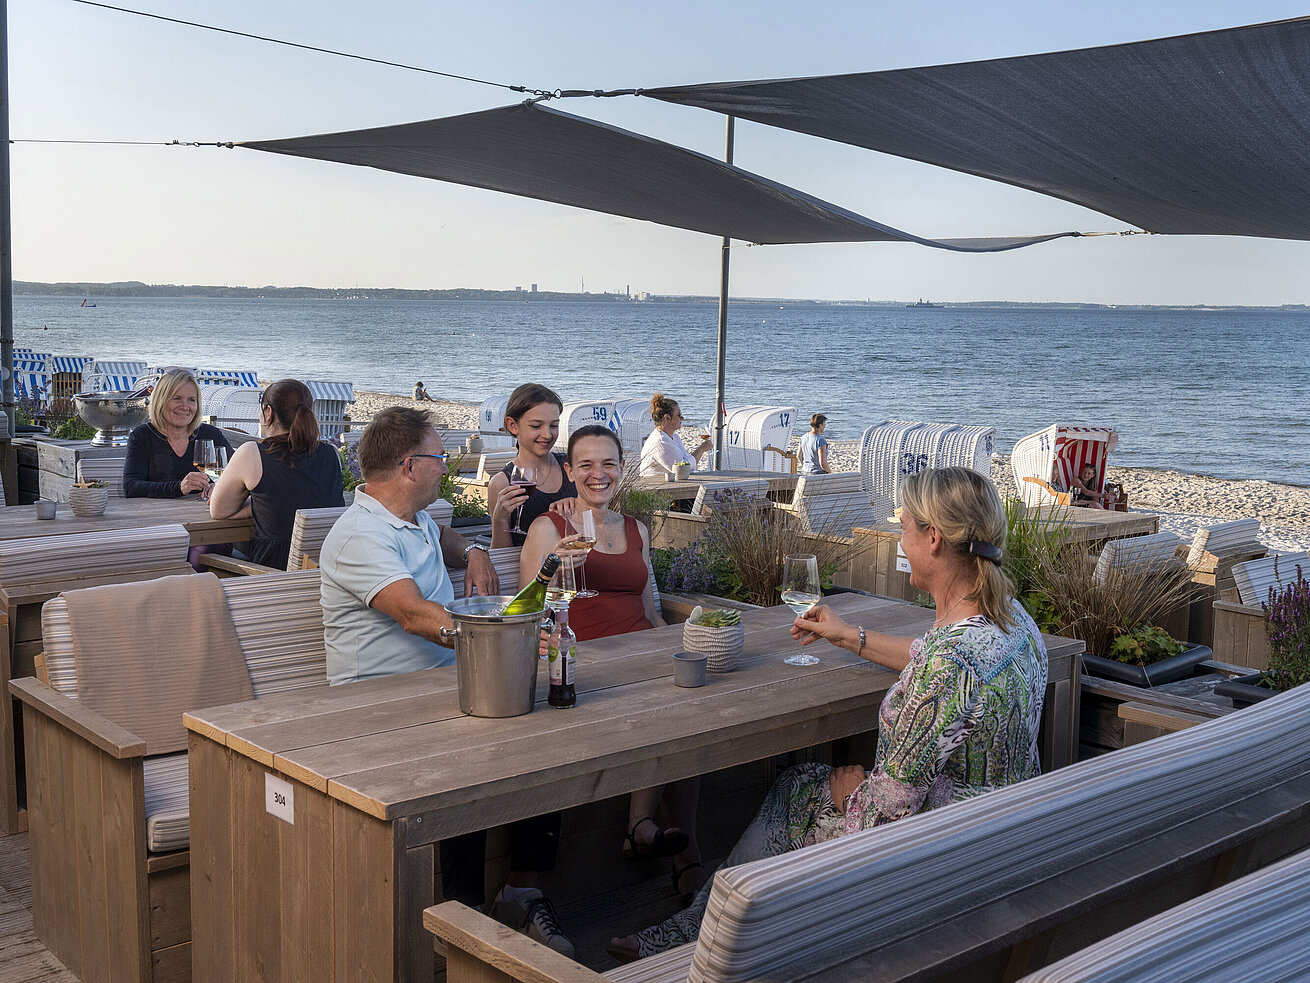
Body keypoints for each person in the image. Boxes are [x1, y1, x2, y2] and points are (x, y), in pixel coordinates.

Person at [609, 466, 1049, 961]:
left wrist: (849, 795)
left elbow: (882, 816)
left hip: (937, 857)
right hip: (999, 833)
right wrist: (849, 636)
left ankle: (704, 942)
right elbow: (928, 657)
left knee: (797, 794)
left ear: (933, 538)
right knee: (800, 785)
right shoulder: (1010, 619)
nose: (899, 540)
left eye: (904, 526)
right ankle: (708, 926)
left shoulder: (951, 664)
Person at [318, 406, 573, 957]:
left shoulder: (410, 518)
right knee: (475, 750)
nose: (447, 467)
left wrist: (474, 552)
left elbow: (443, 534)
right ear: (410, 466)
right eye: (441, 457)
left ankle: (520, 892)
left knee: (548, 739)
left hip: (438, 687)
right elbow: (414, 615)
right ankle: (463, 919)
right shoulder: (360, 534)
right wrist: (509, 636)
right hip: (378, 706)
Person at [520, 425, 706, 905]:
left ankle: (657, 835)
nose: (597, 474)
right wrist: (551, 568)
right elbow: (526, 613)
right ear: (569, 471)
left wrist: (678, 649)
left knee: (692, 703)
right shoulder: (549, 528)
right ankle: (662, 839)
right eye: (586, 464)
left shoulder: (635, 529)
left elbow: (650, 612)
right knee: (663, 709)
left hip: (642, 655)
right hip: (589, 664)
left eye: (608, 464)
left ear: (622, 470)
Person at [208, 379, 345, 570]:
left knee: (205, 553)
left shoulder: (252, 453)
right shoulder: (331, 454)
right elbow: (302, 500)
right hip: (324, 574)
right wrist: (263, 505)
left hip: (271, 575)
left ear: (268, 412)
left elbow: (219, 512)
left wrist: (258, 505)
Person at [486, 383, 577, 548]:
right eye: (536, 426)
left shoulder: (571, 467)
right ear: (513, 425)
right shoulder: (501, 483)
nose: (547, 434)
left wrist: (579, 506)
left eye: (554, 425)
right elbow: (500, 555)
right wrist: (500, 519)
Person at [122, 368, 233, 499]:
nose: (185, 406)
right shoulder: (142, 435)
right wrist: (179, 487)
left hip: (205, 511)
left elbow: (240, 473)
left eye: (191, 400)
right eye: (177, 398)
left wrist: (221, 486)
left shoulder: (210, 435)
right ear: (160, 400)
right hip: (157, 511)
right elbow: (131, 487)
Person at [639, 392, 711, 476]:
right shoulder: (661, 442)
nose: (682, 418)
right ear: (667, 418)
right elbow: (682, 470)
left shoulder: (674, 437)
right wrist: (702, 449)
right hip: (656, 483)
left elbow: (685, 462)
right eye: (678, 415)